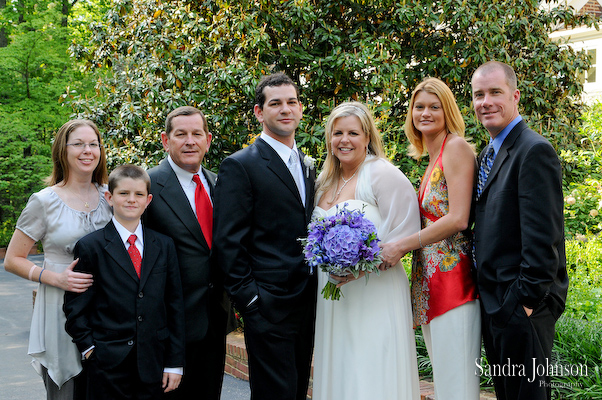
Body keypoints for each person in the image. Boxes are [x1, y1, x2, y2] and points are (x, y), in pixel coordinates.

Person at [213, 72, 317, 400]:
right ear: (260, 112)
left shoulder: (308, 164)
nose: (285, 109)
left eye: (292, 102)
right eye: (275, 103)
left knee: (297, 390)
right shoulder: (240, 165)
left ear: (300, 108)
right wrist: (252, 300)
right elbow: (227, 241)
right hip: (268, 305)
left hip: (309, 301)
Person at [471, 61, 568, 400]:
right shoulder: (487, 154)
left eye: (495, 92)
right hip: (496, 303)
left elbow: (544, 240)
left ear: (515, 97)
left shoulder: (534, 150)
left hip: (523, 307)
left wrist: (523, 303)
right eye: (479, 95)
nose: (486, 102)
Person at [312, 101, 421, 400]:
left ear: (367, 137)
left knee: (371, 366)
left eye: (353, 133)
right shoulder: (323, 182)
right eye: (337, 133)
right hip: (334, 294)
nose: (344, 140)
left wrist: (361, 268)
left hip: (374, 290)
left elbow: (407, 232)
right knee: (341, 364)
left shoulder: (381, 173)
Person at [380, 78, 481, 399]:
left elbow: (459, 218)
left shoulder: (456, 148)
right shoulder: (432, 157)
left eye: (434, 107)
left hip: (455, 285)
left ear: (447, 110)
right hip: (430, 286)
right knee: (446, 384)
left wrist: (401, 245)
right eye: (419, 107)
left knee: (459, 386)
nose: (425, 113)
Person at [4, 119, 112, 399]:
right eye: (78, 144)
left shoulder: (111, 195)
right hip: (60, 307)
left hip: (107, 308)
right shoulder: (44, 201)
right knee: (67, 389)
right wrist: (56, 278)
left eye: (93, 144)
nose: (87, 150)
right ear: (62, 151)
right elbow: (13, 259)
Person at [63, 165, 186, 399]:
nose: (131, 200)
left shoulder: (164, 245)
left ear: (148, 200)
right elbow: (75, 307)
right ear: (109, 197)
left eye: (138, 194)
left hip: (154, 363)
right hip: (106, 364)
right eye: (123, 193)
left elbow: (174, 305)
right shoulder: (91, 247)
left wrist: (174, 363)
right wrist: (89, 348)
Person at [144, 106, 230, 400]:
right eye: (181, 134)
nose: (189, 141)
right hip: (167, 325)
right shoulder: (147, 185)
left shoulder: (222, 183)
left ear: (208, 140)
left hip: (215, 316)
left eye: (197, 134)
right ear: (166, 141)